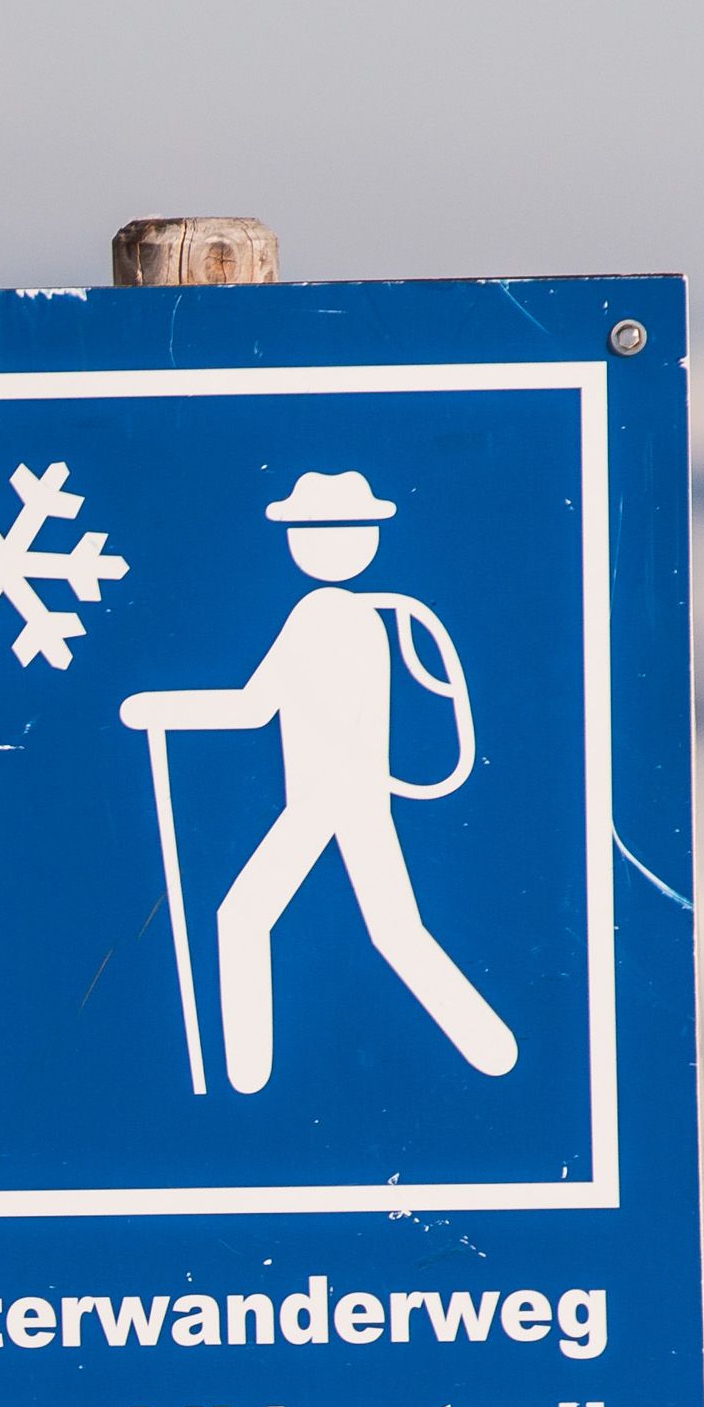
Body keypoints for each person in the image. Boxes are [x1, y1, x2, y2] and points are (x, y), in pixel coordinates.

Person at [116, 470, 516, 1096]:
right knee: (395, 930)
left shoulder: (319, 616)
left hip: (322, 801)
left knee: (243, 916)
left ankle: (247, 1082)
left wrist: (161, 712)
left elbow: (254, 708)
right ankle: (490, 1046)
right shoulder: (364, 618)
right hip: (357, 801)